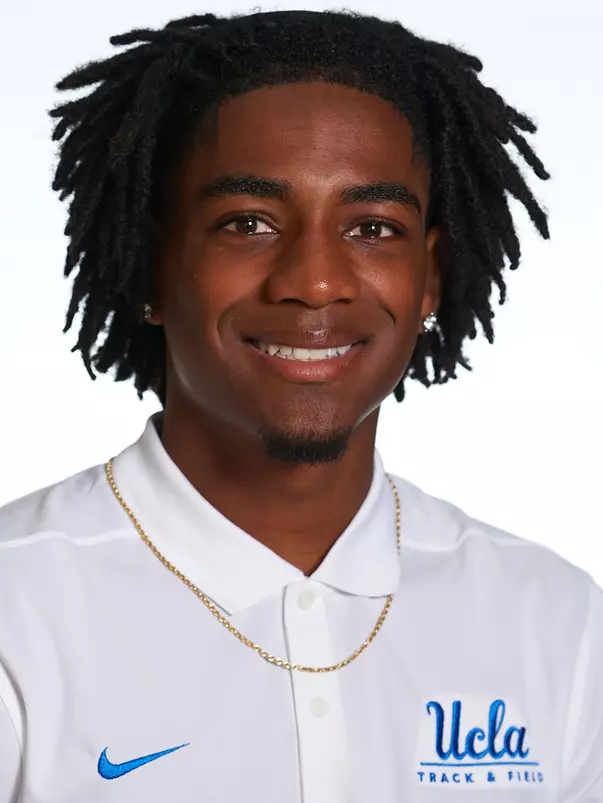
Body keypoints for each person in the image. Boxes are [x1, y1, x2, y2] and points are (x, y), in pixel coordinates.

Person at [0, 7, 601, 802]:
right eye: (247, 223)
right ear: (150, 268)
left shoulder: (554, 621)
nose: (315, 281)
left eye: (372, 228)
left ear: (428, 279)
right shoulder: (18, 610)